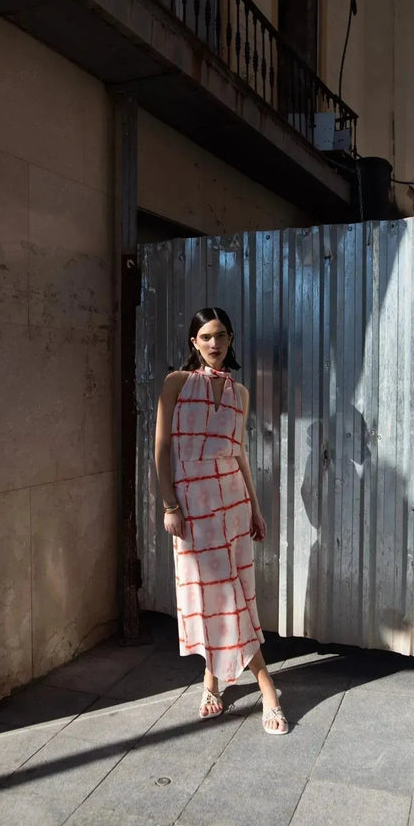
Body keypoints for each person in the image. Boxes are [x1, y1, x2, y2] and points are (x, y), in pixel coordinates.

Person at [155, 307, 288, 735]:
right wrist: (169, 505)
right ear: (194, 340)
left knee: (235, 593)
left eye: (223, 337)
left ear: (231, 341)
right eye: (208, 336)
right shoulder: (176, 383)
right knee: (214, 596)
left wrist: (255, 506)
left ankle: (214, 682)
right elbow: (161, 448)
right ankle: (265, 687)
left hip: (231, 501)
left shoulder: (240, 392)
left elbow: (239, 453)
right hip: (192, 506)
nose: (216, 344)